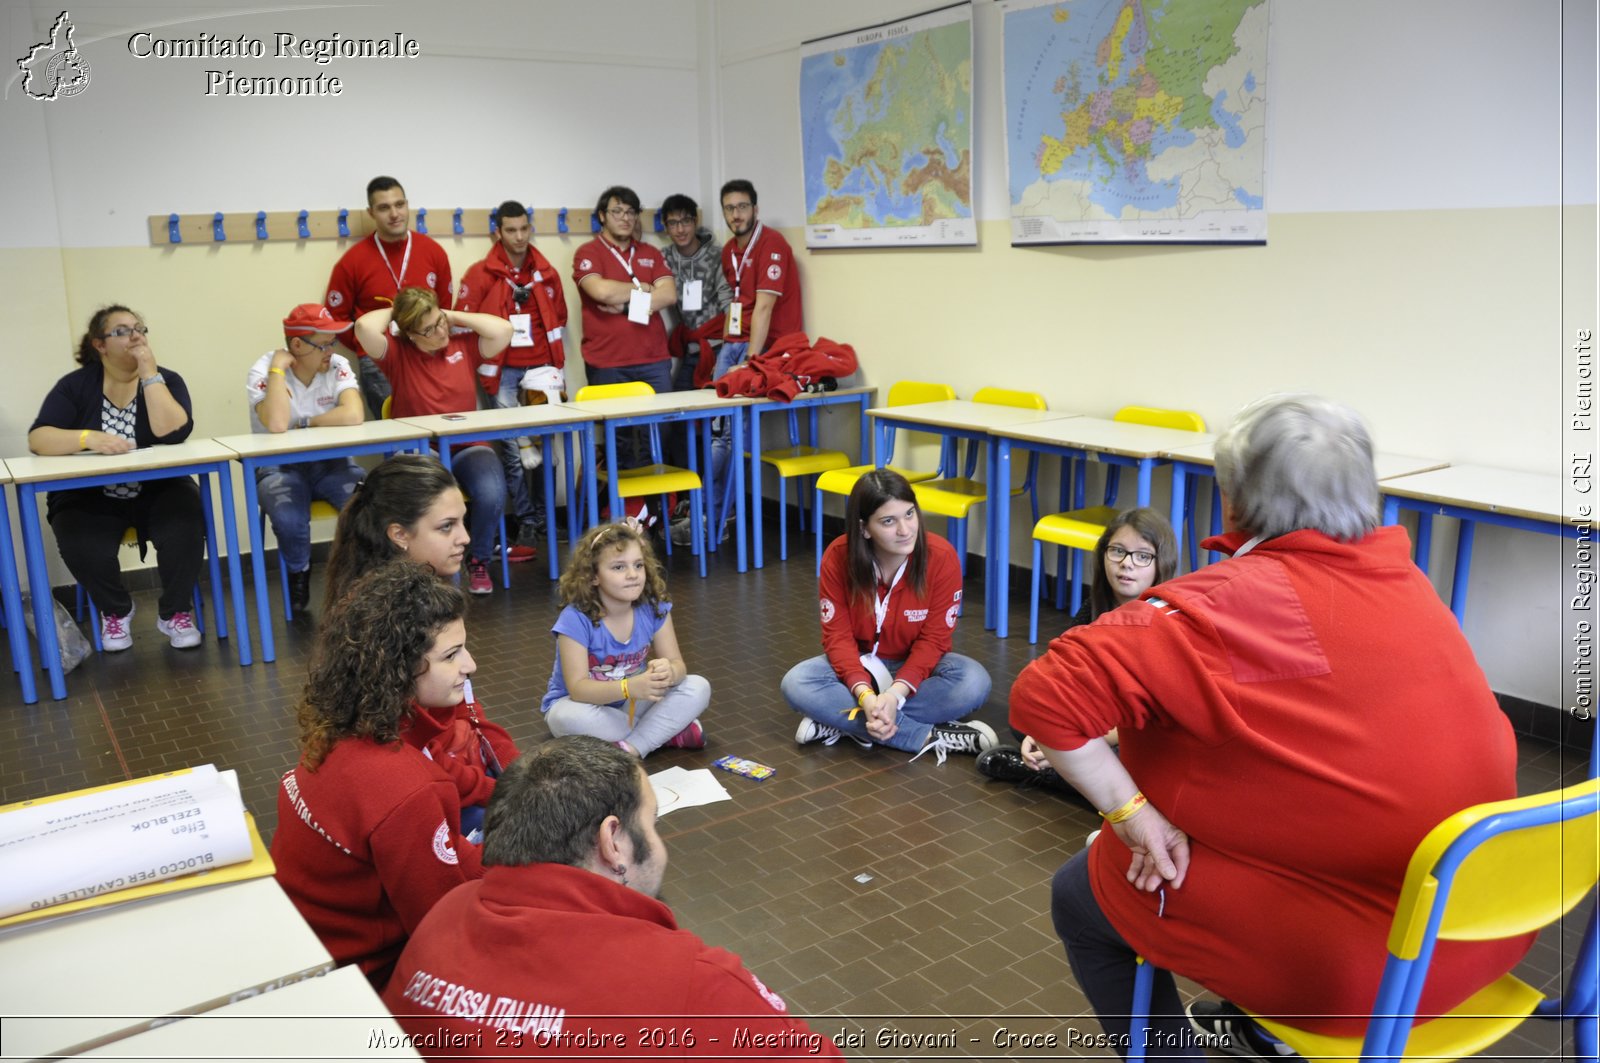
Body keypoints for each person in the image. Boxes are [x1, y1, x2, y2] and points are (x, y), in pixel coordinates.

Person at [1009, 395, 1529, 1059]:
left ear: (1237, 502)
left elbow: (1044, 698)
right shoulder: (1410, 583)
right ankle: (1258, 1023)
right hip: (1486, 925)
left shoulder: (1226, 606)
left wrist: (1134, 814)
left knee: (1081, 892)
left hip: (1370, 976)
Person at [380, 737, 843, 1059]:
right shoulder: (694, 983)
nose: (661, 844)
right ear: (613, 840)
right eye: (654, 822)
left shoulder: (443, 916)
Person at [272, 562, 518, 988]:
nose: (471, 665)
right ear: (399, 668)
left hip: (305, 938)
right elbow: (443, 922)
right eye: (451, 655)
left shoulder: (347, 723)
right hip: (359, 976)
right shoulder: (408, 787)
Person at [781, 469, 995, 763]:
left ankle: (845, 721)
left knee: (973, 681)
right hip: (861, 665)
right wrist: (866, 696)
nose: (905, 530)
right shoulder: (838, 556)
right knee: (797, 681)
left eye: (909, 514)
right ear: (864, 528)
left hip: (917, 668)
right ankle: (926, 736)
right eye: (888, 521)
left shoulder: (941, 557)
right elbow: (838, 638)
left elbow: (934, 640)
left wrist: (894, 695)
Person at [27, 305, 205, 650]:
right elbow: (39, 438)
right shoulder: (75, 386)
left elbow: (173, 432)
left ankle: (175, 613)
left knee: (185, 521)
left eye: (139, 328)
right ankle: (116, 611)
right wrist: (86, 438)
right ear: (99, 345)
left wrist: (150, 374)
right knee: (78, 537)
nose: (136, 335)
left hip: (160, 489)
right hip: (91, 495)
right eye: (122, 331)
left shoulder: (168, 380)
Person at [976, 507, 1177, 794]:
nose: (1126, 564)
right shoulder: (1094, 608)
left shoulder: (1165, 622)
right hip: (1091, 722)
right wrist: (1043, 729)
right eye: (1117, 551)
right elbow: (1058, 676)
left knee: (1138, 765)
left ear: (1162, 563)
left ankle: (1047, 773)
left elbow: (1154, 716)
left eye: (1143, 556)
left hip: (1134, 734)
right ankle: (1067, 769)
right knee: (1025, 719)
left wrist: (1072, 740)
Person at [354, 288, 513, 595]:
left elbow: (504, 330)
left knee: (492, 491)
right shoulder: (397, 352)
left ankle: (477, 559)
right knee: (433, 500)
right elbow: (363, 328)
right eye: (428, 329)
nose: (440, 331)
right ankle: (432, 568)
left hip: (467, 444)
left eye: (440, 321)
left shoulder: (462, 344)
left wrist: (446, 315)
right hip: (420, 447)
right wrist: (399, 312)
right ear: (410, 334)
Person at [456, 199, 569, 555]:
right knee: (513, 451)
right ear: (497, 232)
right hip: (502, 371)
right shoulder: (479, 274)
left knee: (547, 448)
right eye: (511, 230)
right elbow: (462, 322)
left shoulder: (546, 272)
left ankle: (546, 515)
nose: (519, 237)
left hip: (542, 369)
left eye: (524, 228)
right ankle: (527, 520)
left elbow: (560, 316)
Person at [541, 520, 710, 757]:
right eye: (619, 567)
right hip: (585, 705)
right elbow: (578, 689)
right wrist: (628, 686)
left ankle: (629, 748)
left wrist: (669, 673)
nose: (632, 575)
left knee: (697, 687)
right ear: (593, 576)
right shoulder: (575, 619)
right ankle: (663, 732)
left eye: (638, 565)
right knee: (562, 718)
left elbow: (678, 664)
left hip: (632, 702)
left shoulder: (654, 608)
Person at [245, 304, 366, 614]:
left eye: (332, 342)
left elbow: (353, 414)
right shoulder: (266, 370)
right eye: (323, 344)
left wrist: (307, 422)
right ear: (296, 345)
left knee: (367, 505)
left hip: (332, 464)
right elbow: (276, 424)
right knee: (289, 520)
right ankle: (298, 572)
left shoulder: (336, 364)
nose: (331, 350)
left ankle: (360, 578)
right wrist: (276, 372)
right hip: (278, 468)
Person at [326, 176, 455, 419]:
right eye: (384, 208)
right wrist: (366, 345)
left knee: (434, 427)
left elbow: (444, 307)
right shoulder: (352, 261)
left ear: (407, 204)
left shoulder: (433, 252)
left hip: (427, 354)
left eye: (399, 205)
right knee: (399, 436)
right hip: (379, 360)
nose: (394, 214)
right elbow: (336, 318)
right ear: (371, 212)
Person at [571, 185, 677, 470]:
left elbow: (668, 295)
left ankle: (651, 508)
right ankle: (624, 512)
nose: (625, 218)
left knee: (659, 435)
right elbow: (601, 292)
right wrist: (641, 288)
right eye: (617, 211)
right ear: (602, 216)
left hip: (653, 360)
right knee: (620, 441)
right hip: (608, 362)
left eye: (631, 212)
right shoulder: (588, 252)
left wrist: (627, 304)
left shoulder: (650, 253)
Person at [322, 453, 469, 610]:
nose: (465, 538)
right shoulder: (413, 616)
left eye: (462, 521)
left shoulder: (370, 593)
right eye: (446, 526)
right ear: (399, 535)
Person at [660, 193, 731, 394]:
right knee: (679, 415)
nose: (680, 229)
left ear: (695, 221)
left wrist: (728, 354)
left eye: (685, 221)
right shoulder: (663, 258)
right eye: (673, 223)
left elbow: (730, 304)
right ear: (666, 227)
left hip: (718, 346)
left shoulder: (718, 256)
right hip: (690, 350)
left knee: (716, 415)